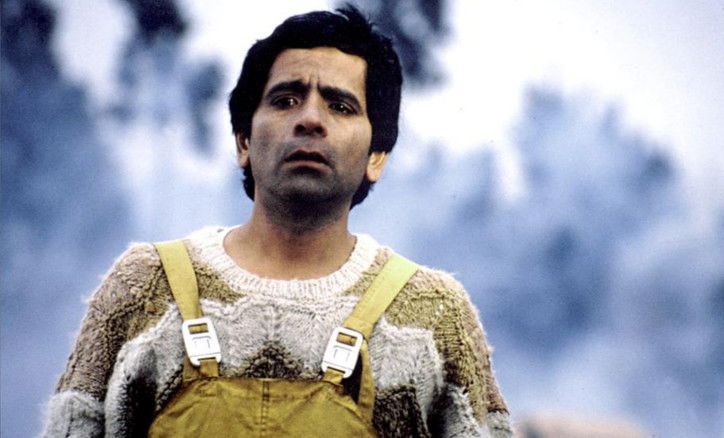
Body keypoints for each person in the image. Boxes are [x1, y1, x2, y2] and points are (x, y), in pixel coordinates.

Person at [42, 6, 512, 437]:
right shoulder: (143, 286)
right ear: (243, 141)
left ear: (377, 157)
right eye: (286, 100)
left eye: (341, 106)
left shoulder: (433, 313)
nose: (310, 119)